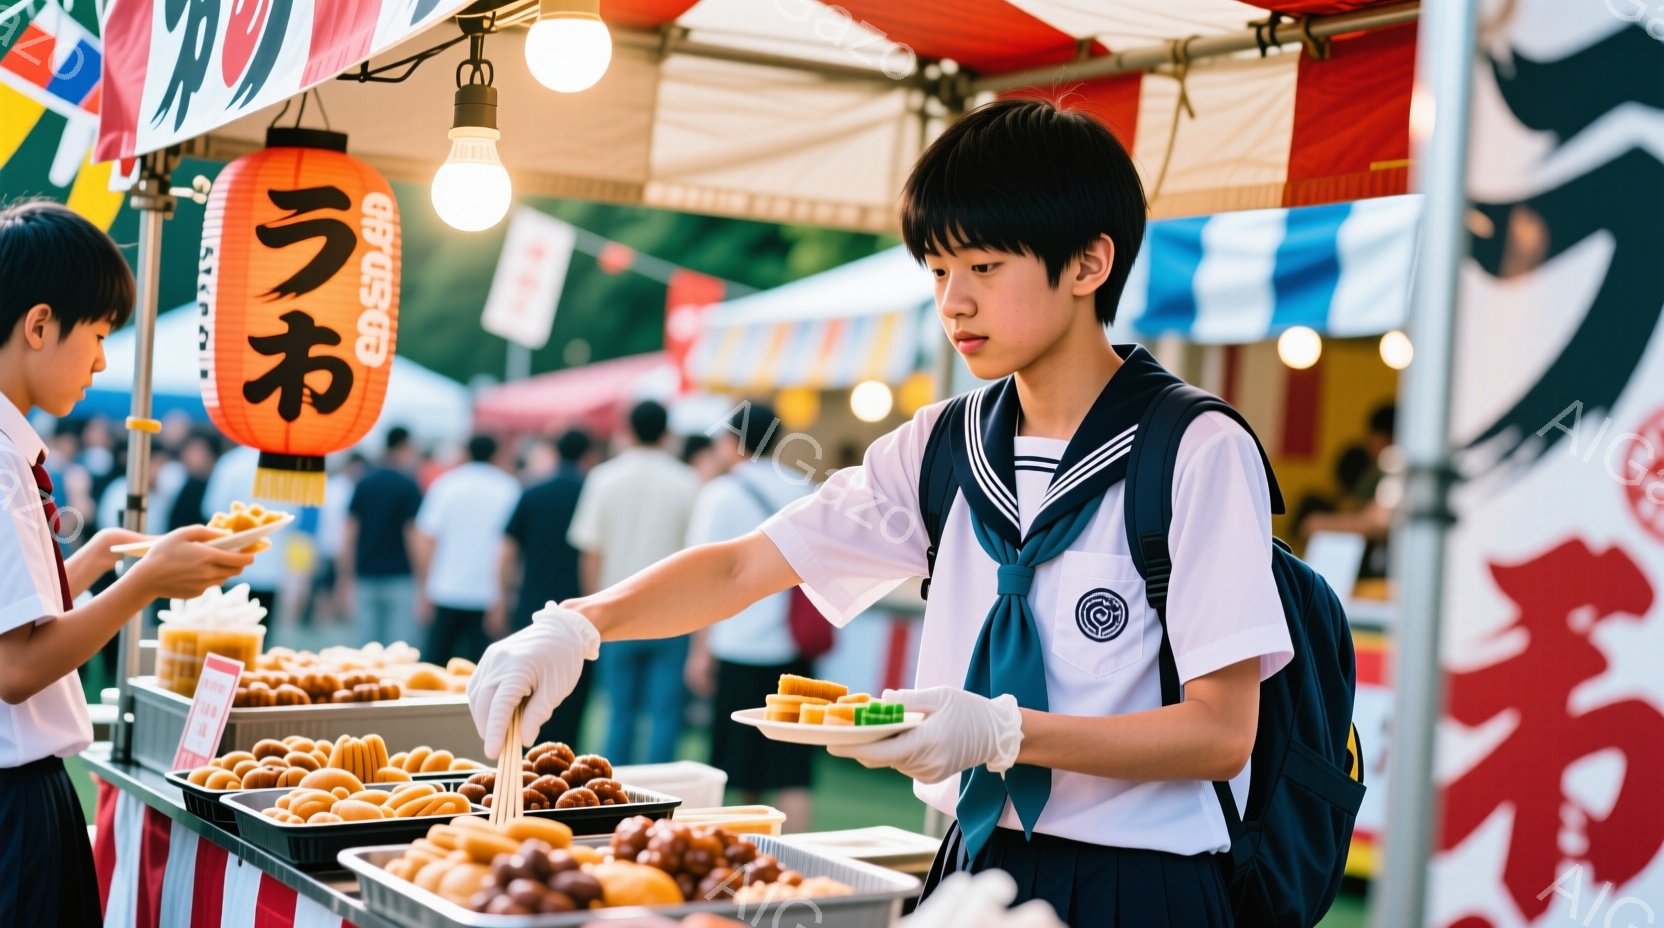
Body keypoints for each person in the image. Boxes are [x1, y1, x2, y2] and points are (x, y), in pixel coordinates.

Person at [470, 99, 1295, 926]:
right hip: (972, 859)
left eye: (983, 267)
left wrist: (1007, 733)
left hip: (1143, 885)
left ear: (1087, 264)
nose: (953, 303)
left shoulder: (1196, 448)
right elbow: (743, 564)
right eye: (938, 270)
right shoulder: (943, 442)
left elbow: (1221, 733)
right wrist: (576, 625)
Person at [0, 200, 254, 924]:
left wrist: (96, 559)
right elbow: (15, 669)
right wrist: (144, 582)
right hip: (16, 803)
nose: (104, 360)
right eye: (100, 334)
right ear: (40, 324)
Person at [684, 401, 816, 828]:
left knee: (736, 766)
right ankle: (797, 857)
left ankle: (742, 854)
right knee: (791, 765)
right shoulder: (803, 488)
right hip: (794, 647)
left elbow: (702, 578)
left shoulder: (720, 493)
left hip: (736, 643)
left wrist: (699, 650)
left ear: (733, 442)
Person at [566, 400, 700, 765]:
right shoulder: (688, 481)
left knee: (617, 710)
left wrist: (589, 610)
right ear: (667, 432)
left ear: (627, 429)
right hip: (674, 614)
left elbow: (590, 552)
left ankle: (614, 790)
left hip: (616, 611)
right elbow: (698, 552)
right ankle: (663, 799)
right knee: (665, 714)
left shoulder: (604, 477)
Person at [500, 429, 594, 746]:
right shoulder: (591, 493)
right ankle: (564, 755)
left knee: (527, 686)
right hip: (579, 610)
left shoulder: (533, 491)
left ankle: (526, 754)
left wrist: (502, 597)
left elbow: (507, 551)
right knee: (572, 691)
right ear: (587, 455)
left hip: (533, 603)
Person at [412, 434, 519, 664]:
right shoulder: (508, 488)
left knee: (435, 665)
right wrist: (504, 595)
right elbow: (510, 548)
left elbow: (425, 538)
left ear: (466, 452)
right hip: (487, 593)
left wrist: (424, 586)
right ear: (496, 454)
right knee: (483, 669)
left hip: (445, 589)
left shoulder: (446, 485)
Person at [340, 426, 425, 648]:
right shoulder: (408, 485)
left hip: (366, 574)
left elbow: (349, 533)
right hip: (400, 576)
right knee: (398, 648)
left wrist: (345, 577)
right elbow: (412, 536)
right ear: (404, 445)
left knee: (365, 647)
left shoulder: (364, 482)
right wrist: (422, 580)